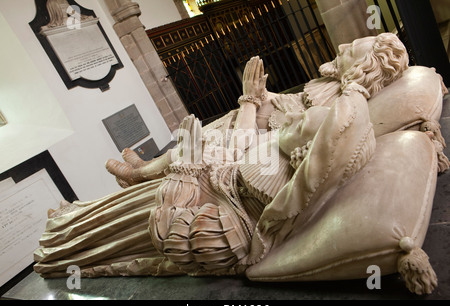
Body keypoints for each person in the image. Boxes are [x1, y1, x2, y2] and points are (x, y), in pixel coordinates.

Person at [33, 33, 411, 278]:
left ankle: (70, 234)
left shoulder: (342, 118)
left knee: (151, 199)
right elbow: (272, 144)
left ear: (364, 67)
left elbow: (256, 154)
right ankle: (78, 216)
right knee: (219, 129)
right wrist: (254, 106)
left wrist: (249, 103)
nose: (342, 47)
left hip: (220, 200)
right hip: (224, 182)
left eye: (352, 48)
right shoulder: (340, 110)